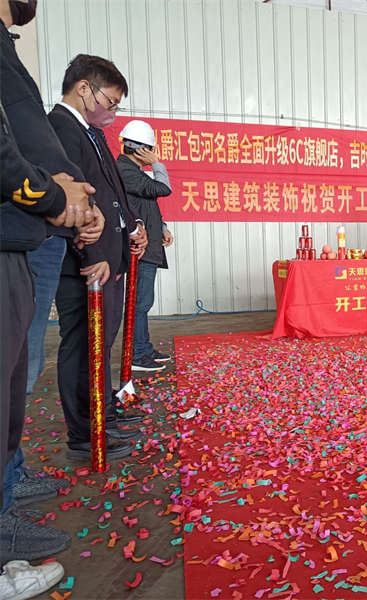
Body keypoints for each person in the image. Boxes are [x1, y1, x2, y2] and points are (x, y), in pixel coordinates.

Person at [1, 0, 104, 582]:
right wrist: (57, 195)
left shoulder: (7, 46)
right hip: (25, 227)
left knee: (18, 372)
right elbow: (12, 154)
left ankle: (9, 478)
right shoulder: (65, 119)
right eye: (109, 100)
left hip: (32, 230)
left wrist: (74, 199)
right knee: (17, 370)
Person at [48, 54, 148, 461]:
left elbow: (111, 192)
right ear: (84, 88)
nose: (113, 112)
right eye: (110, 101)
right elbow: (76, 198)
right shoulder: (60, 128)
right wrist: (92, 252)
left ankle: (102, 412)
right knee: (82, 346)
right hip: (87, 263)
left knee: (100, 344)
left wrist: (133, 227)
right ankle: (85, 433)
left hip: (109, 256)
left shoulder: (90, 133)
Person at [116, 120, 174, 372]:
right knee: (140, 303)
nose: (153, 153)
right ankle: (138, 354)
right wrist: (157, 163)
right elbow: (163, 188)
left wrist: (162, 228)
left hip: (148, 245)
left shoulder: (133, 172)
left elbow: (145, 205)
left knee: (143, 302)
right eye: (151, 149)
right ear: (141, 149)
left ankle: (144, 347)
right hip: (139, 249)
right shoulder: (125, 171)